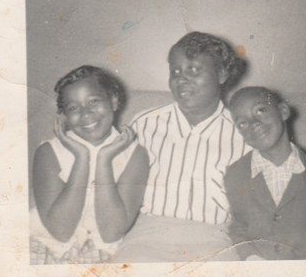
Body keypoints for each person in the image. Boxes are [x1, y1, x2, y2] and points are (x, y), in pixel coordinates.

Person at [111, 31, 248, 262]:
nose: (181, 79)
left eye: (194, 70)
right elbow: (114, 189)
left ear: (222, 74)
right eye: (175, 71)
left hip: (214, 239)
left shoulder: (243, 132)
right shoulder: (144, 124)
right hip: (146, 235)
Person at [30, 65, 149, 264]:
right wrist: (82, 158)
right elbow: (60, 232)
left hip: (102, 253)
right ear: (64, 116)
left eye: (94, 101)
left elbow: (111, 233)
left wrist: (104, 160)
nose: (85, 113)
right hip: (45, 244)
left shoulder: (136, 155)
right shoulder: (48, 152)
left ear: (113, 101)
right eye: (73, 108)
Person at [225, 86, 306, 260]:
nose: (253, 123)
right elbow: (239, 228)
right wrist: (250, 257)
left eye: (260, 111)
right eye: (242, 122)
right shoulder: (235, 175)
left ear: (283, 111)